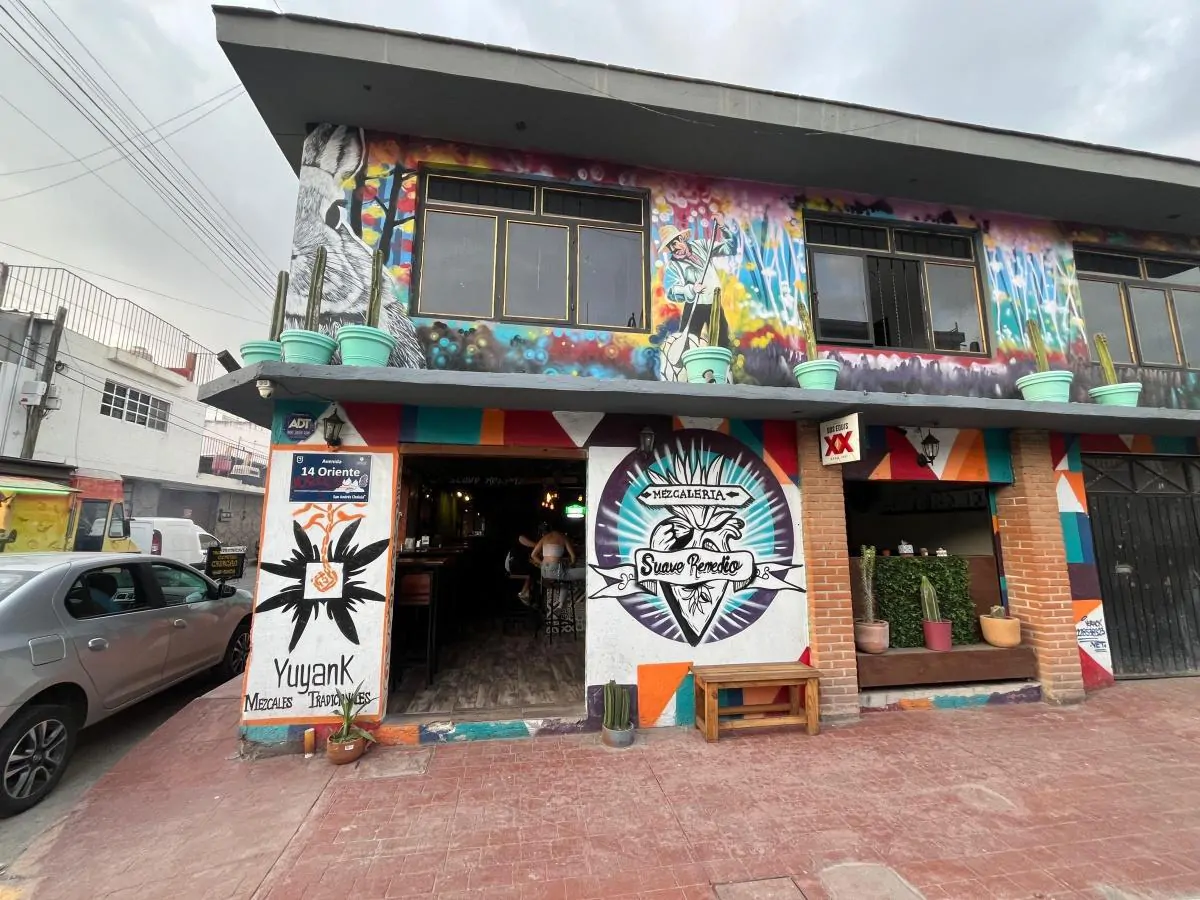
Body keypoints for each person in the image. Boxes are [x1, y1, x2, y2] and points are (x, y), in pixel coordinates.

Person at [659, 215, 738, 362]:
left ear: (682, 239)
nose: (675, 249)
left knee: (722, 343)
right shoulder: (673, 266)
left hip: (714, 304)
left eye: (675, 243)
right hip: (694, 307)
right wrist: (690, 289)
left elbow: (730, 248)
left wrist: (723, 227)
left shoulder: (702, 245)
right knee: (687, 346)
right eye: (671, 247)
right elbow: (671, 291)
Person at [506, 529, 538, 602]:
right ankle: (524, 592)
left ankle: (524, 592)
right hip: (512, 564)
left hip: (512, 570)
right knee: (531, 572)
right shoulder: (521, 538)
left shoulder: (523, 550)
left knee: (530, 575)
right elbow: (532, 544)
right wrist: (539, 545)